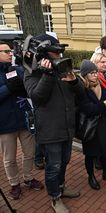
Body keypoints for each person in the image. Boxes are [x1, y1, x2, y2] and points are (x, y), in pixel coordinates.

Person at [23, 34, 83, 213]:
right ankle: (54, 197)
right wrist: (47, 75)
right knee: (53, 166)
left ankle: (61, 188)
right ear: (45, 54)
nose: (59, 56)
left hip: (67, 127)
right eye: (56, 52)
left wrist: (74, 81)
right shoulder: (31, 73)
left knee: (64, 161)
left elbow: (80, 93)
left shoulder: (63, 68)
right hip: (50, 130)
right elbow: (37, 97)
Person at [0, 41, 44, 200]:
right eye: (5, 51)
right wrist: (9, 88)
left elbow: (29, 88)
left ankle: (28, 177)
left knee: (30, 153)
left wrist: (24, 88)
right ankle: (14, 184)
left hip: (24, 120)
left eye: (10, 51)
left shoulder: (17, 69)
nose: (10, 54)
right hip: (5, 124)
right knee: (9, 158)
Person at [78, 60, 106, 190]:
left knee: (105, 151)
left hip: (103, 124)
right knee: (90, 154)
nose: (95, 75)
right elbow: (88, 109)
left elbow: (104, 105)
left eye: (96, 72)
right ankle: (91, 176)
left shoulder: (100, 85)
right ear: (85, 75)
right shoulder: (82, 89)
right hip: (90, 127)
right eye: (92, 73)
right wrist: (104, 104)